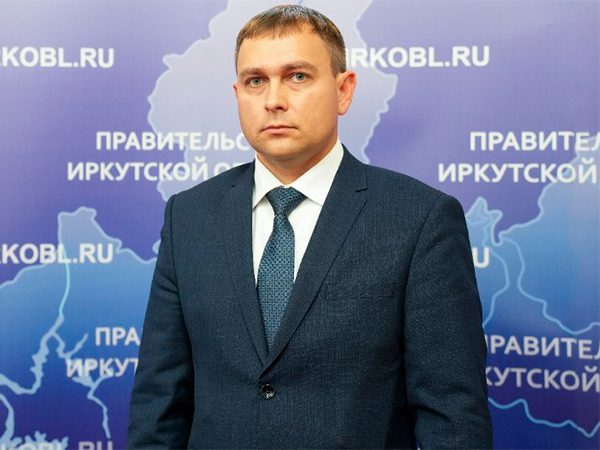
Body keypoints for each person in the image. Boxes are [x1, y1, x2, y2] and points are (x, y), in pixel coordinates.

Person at [128, 5, 492, 449]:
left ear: (344, 90)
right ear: (237, 94)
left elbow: (452, 417)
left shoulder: (419, 220)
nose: (273, 100)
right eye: (255, 80)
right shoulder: (189, 216)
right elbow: (159, 403)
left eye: (297, 76)